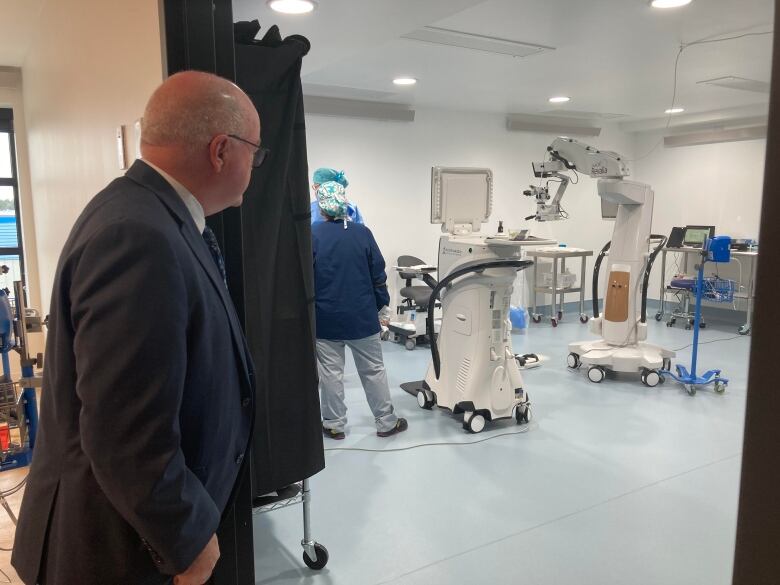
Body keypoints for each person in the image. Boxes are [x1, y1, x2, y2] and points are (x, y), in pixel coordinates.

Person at [12, 71, 263, 585]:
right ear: (220, 151)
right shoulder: (137, 236)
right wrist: (188, 537)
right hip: (116, 548)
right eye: (254, 154)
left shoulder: (151, 216)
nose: (253, 168)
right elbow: (124, 433)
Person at [312, 181, 407, 439]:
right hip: (362, 318)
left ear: (321, 207)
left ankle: (334, 424)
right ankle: (386, 423)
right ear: (344, 203)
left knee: (331, 374)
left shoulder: (312, 235)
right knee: (373, 370)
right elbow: (378, 274)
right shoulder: (362, 233)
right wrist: (381, 305)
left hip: (325, 319)